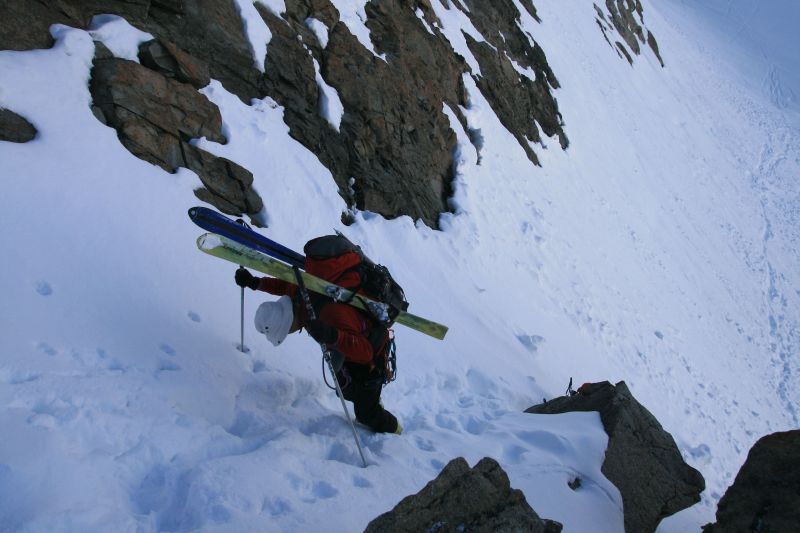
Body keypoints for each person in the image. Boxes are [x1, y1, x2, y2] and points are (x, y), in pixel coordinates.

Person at [235, 267, 401, 434]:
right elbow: (282, 286)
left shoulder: (328, 315)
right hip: (345, 348)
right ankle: (369, 399)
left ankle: (396, 431)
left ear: (289, 322)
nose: (290, 333)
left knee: (366, 414)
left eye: (286, 330)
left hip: (372, 353)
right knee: (346, 390)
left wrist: (333, 335)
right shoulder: (299, 297)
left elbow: (366, 352)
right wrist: (255, 283)